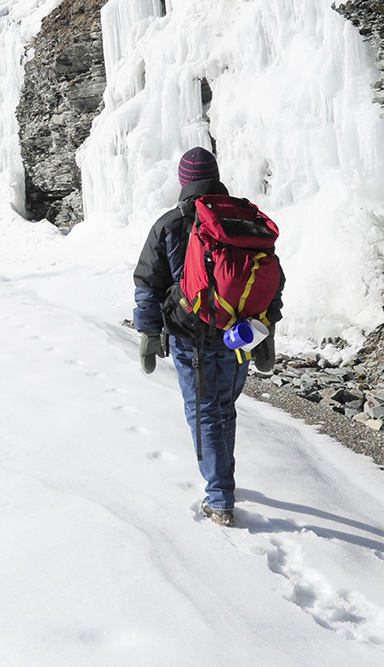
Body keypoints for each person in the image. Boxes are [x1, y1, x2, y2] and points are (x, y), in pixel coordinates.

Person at [132, 147, 282, 527]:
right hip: (241, 334)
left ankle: (219, 497)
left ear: (184, 181)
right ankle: (223, 478)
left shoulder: (171, 223)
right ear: (215, 177)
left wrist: (150, 332)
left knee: (204, 413)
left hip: (190, 337)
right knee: (223, 407)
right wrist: (267, 332)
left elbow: (149, 282)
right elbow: (271, 280)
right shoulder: (243, 219)